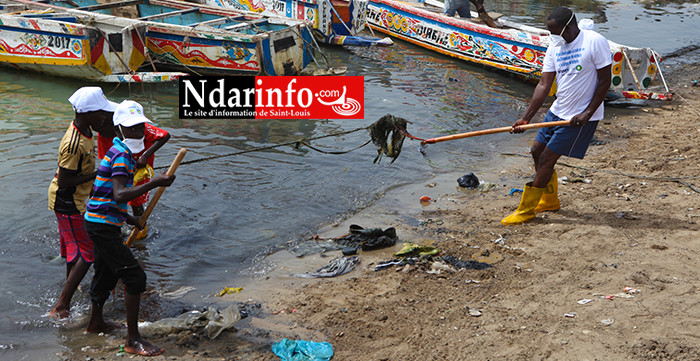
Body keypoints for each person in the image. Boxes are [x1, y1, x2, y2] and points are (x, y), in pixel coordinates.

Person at [501, 7, 611, 225]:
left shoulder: (594, 41)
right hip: (557, 111)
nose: (552, 36)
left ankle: (526, 210)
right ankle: (550, 199)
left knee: (547, 159)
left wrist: (587, 113)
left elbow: (605, 81)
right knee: (536, 151)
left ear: (569, 28)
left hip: (580, 116)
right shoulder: (555, 46)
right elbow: (544, 84)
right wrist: (526, 118)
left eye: (555, 31)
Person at [84, 100, 175, 356]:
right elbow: (121, 194)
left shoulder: (117, 149)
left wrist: (129, 219)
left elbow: (106, 196)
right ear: (119, 128)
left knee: (106, 273)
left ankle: (96, 322)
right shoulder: (122, 155)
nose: (137, 133)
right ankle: (133, 340)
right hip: (101, 225)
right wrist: (155, 182)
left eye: (139, 128)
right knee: (135, 277)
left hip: (100, 221)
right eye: (131, 128)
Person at [48, 87, 118, 319]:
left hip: (72, 198)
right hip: (67, 201)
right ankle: (61, 306)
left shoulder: (86, 131)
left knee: (75, 250)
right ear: (88, 113)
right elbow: (67, 180)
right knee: (88, 253)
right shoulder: (74, 143)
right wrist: (98, 175)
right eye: (102, 114)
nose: (106, 118)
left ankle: (71, 290)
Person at [97, 116, 170, 240]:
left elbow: (165, 135)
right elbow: (106, 162)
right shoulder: (104, 136)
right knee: (116, 197)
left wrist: (145, 156)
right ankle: (119, 228)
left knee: (136, 201)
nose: (138, 132)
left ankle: (140, 233)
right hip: (121, 169)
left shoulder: (137, 125)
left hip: (139, 168)